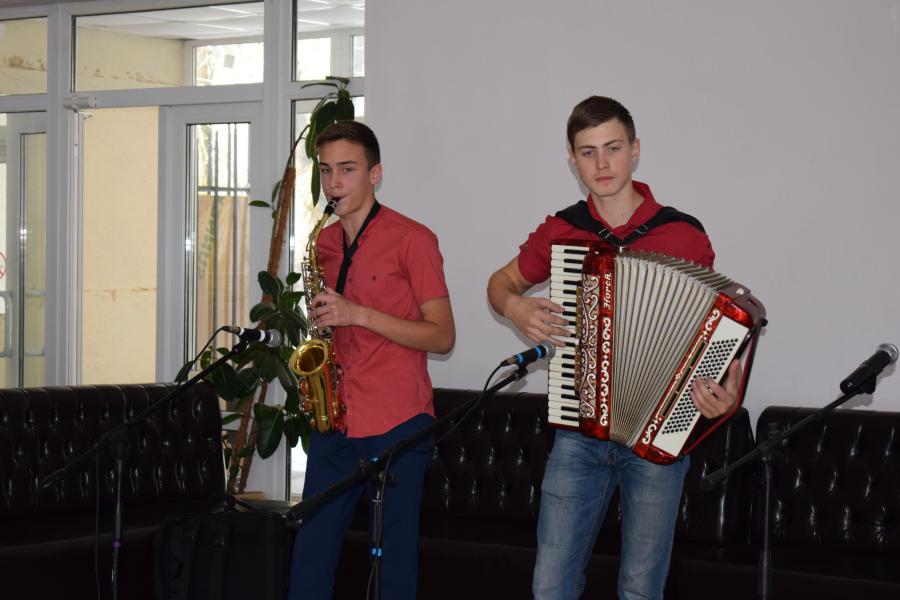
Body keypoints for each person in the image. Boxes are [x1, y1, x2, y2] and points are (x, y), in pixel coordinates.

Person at [486, 96, 742, 600]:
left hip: (657, 435)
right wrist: (516, 307)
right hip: (578, 432)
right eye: (587, 152)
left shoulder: (683, 234)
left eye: (613, 148)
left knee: (641, 590)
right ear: (572, 159)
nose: (601, 164)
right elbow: (500, 283)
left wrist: (725, 393)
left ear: (635, 149)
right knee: (550, 586)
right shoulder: (563, 229)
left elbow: (715, 332)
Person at [288, 121, 455, 600]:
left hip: (397, 423)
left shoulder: (413, 239)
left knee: (393, 564)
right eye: (326, 171)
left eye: (347, 169)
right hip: (335, 419)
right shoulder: (323, 244)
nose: (334, 182)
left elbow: (442, 336)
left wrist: (358, 314)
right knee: (309, 556)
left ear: (374, 174)